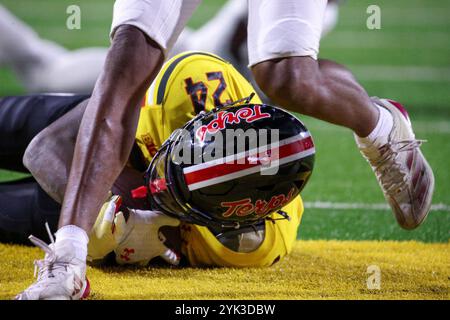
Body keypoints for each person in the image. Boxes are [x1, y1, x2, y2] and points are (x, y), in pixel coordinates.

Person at [15, 0, 434, 300]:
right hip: (175, 106)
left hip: (219, 85)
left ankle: (380, 126)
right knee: (127, 59)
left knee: (288, 77)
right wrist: (84, 239)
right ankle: (65, 264)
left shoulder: (256, 240)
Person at [0, 52, 309, 299]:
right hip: (106, 140)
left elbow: (152, 243)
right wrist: (96, 213)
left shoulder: (246, 244)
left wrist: (126, 231)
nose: (160, 183)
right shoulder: (182, 92)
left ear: (226, 219)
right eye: (174, 169)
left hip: (76, 204)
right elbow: (43, 149)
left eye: (177, 194)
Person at [0, 0, 340, 94]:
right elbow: (245, 51)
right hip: (174, 64)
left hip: (186, 77)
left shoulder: (318, 12)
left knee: (44, 69)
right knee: (44, 73)